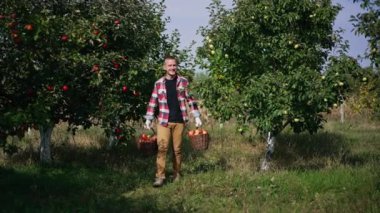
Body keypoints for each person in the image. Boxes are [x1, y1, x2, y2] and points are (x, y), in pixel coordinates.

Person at [144, 55, 202, 187]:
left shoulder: (183, 81)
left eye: (174, 65)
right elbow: (153, 101)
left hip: (179, 121)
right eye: (169, 65)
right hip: (164, 121)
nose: (172, 68)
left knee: (177, 150)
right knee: (162, 148)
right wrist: (149, 118)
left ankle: (177, 173)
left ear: (177, 66)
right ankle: (160, 176)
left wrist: (196, 115)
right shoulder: (158, 83)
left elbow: (190, 99)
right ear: (165, 67)